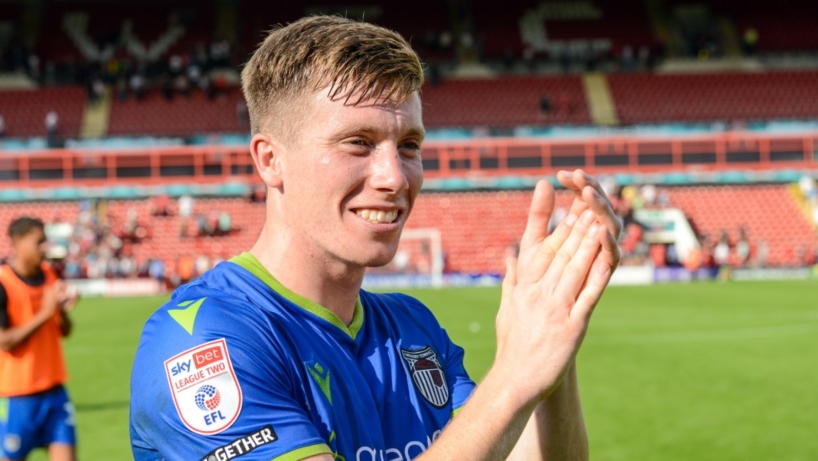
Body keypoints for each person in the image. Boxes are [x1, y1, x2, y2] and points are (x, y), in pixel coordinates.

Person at [130, 16, 621, 461]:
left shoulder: (412, 328)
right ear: (269, 160)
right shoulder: (199, 341)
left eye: (409, 146)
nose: (394, 176)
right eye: (358, 143)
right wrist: (513, 378)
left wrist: (556, 332)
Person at [0, 217, 78, 461]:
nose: (45, 247)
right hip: (18, 395)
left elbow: (64, 331)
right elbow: (4, 341)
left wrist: (62, 311)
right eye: (39, 242)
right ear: (17, 242)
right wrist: (45, 313)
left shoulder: (49, 274)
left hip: (55, 390)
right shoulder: (3, 283)